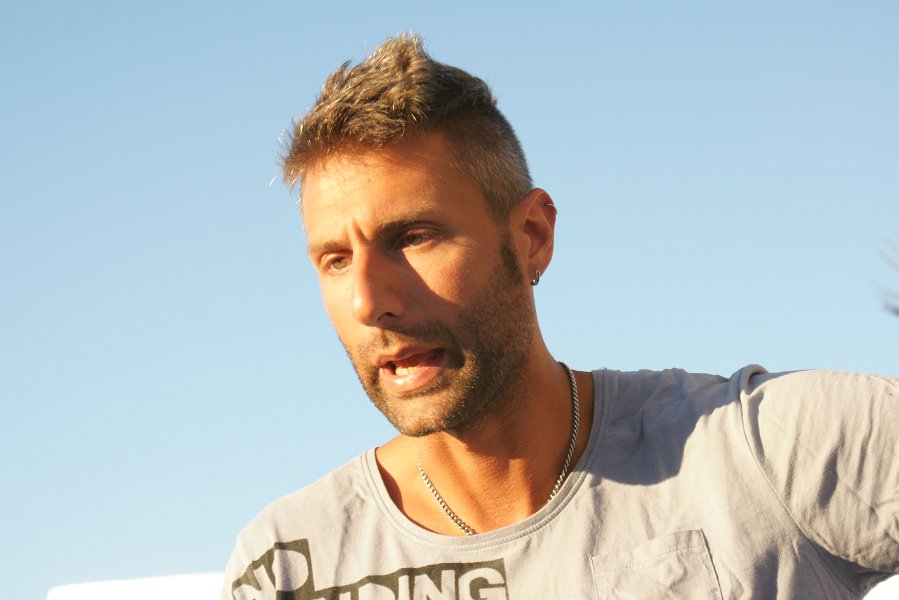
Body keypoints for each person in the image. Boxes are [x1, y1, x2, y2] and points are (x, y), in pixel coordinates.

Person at [221, 35, 898, 599]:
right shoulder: (289, 566)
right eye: (336, 259)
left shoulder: (755, 454)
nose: (370, 301)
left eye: (414, 237)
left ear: (532, 236)